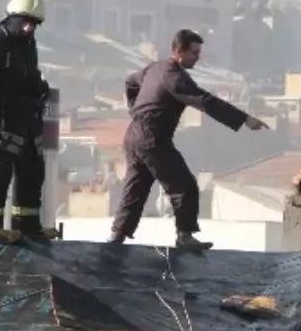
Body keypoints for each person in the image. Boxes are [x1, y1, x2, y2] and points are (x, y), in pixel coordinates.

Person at [110, 28, 268, 250]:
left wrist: (135, 109)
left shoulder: (154, 68)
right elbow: (205, 101)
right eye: (194, 53)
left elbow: (130, 82)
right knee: (184, 186)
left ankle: (116, 236)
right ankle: (184, 236)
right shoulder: (175, 77)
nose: (198, 58)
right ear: (179, 52)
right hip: (152, 137)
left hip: (133, 136)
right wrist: (244, 119)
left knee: (136, 187)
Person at [0, 0, 53, 239]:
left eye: (34, 24)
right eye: (25, 21)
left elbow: (28, 77)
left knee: (32, 172)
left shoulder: (28, 45)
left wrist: (39, 89)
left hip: (22, 123)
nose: (29, 28)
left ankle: (27, 227)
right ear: (11, 18)